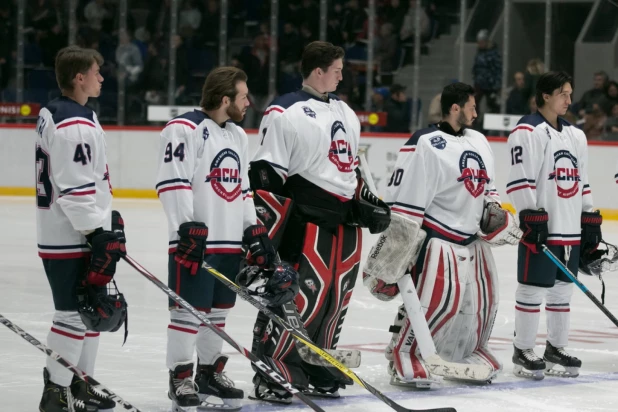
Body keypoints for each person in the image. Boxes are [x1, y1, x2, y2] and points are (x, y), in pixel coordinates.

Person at [248, 41, 391, 403]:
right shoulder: (284, 110)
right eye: (338, 69)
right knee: (300, 297)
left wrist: (366, 202)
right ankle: (274, 366)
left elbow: (349, 169)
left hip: (343, 224)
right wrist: (269, 232)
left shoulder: (345, 110)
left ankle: (316, 363)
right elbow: (266, 175)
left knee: (334, 299)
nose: (343, 74)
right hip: (304, 221)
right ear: (318, 71)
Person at [364, 82, 521, 387]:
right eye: (472, 107)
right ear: (455, 108)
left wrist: (494, 210)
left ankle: (468, 350)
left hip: (472, 238)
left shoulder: (478, 140)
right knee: (439, 302)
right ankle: (405, 352)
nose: (476, 112)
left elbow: (488, 187)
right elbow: (405, 199)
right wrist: (397, 250)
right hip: (439, 237)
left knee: (484, 302)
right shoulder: (425, 142)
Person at [155, 66, 281, 411]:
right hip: (194, 243)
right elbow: (172, 183)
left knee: (219, 312)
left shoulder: (238, 136)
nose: (248, 102)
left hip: (227, 241)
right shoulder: (183, 129)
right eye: (243, 96)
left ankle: (209, 373)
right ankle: (181, 377)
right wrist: (186, 228)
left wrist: (252, 230)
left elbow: (241, 189)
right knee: (188, 313)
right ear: (225, 99)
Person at [36, 45, 124, 412]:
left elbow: (88, 182)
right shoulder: (73, 123)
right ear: (79, 77)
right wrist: (97, 232)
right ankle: (55, 392)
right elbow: (73, 189)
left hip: (75, 231)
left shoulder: (64, 113)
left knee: (93, 311)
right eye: (96, 72)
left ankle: (79, 384)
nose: (101, 78)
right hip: (71, 235)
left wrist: (105, 221)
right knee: (72, 315)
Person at [507, 71, 602, 380]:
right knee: (533, 289)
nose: (569, 100)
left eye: (571, 94)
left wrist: (589, 219)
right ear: (545, 95)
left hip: (570, 229)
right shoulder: (527, 131)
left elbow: (582, 181)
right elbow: (520, 181)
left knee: (563, 292)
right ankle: (523, 349)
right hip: (543, 228)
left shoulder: (576, 135)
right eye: (563, 93)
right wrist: (530, 218)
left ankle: (555, 348)